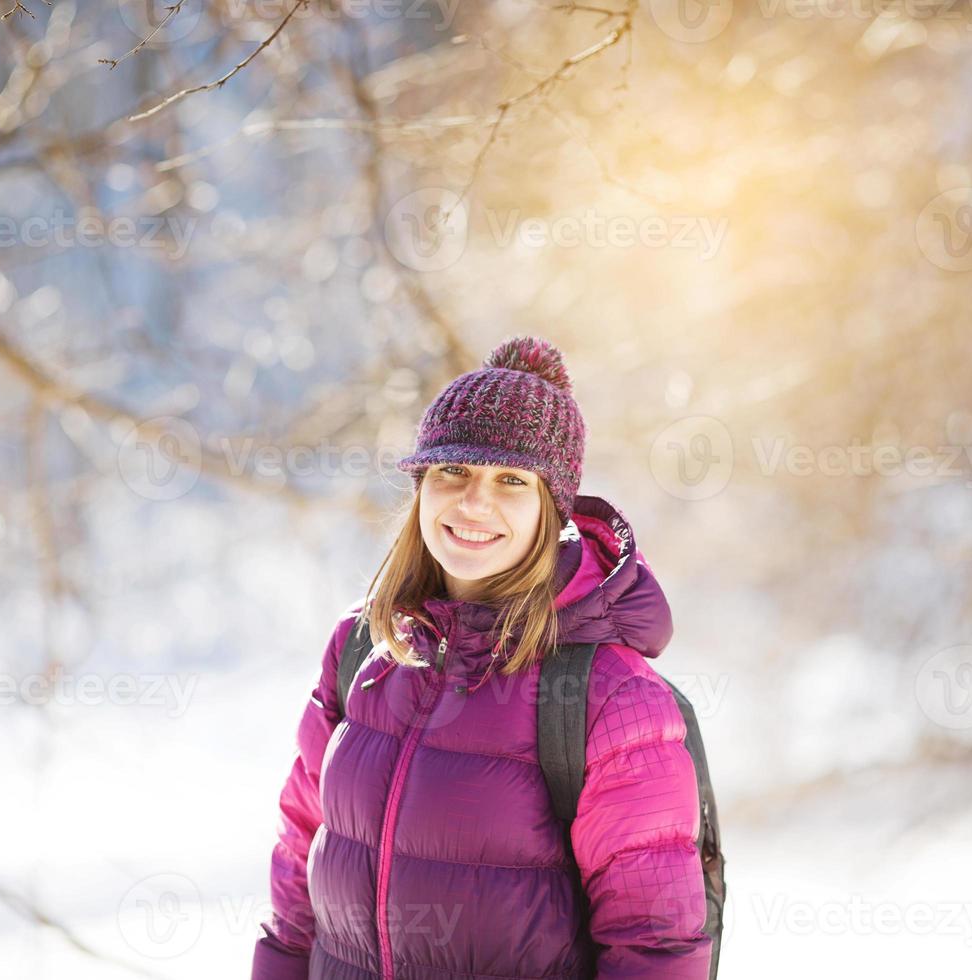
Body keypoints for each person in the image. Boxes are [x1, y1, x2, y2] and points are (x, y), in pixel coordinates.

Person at [251, 336, 712, 979]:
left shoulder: (610, 696)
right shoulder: (363, 648)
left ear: (553, 511)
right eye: (454, 471)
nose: (474, 502)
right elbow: (301, 848)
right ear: (421, 487)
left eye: (511, 480)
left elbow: (653, 945)